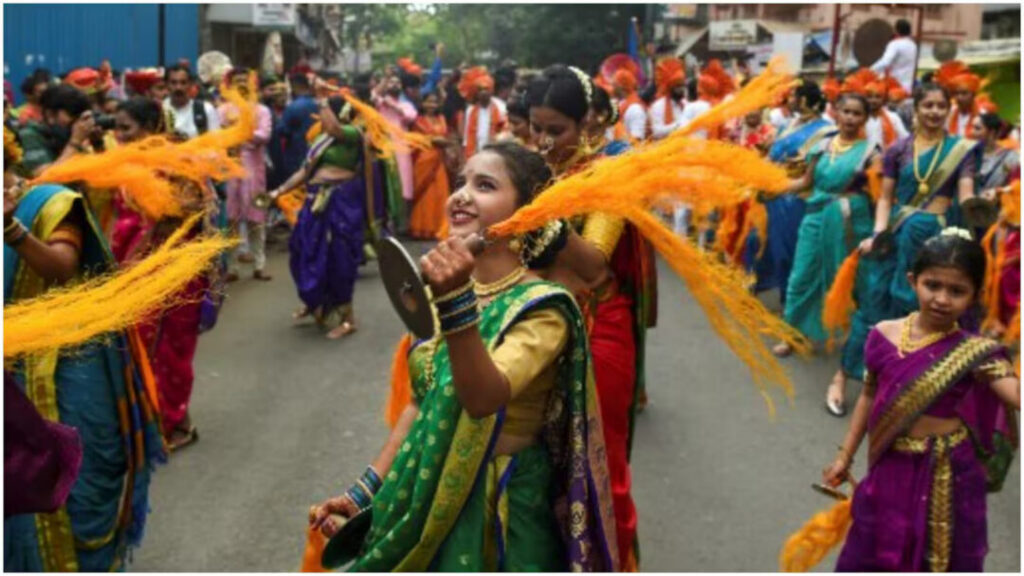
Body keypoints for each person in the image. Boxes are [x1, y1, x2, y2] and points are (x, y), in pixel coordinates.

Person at [309, 141, 618, 571]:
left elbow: (483, 400)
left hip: (499, 511)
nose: (461, 194)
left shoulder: (544, 307)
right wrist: (365, 492)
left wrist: (455, 305)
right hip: (423, 492)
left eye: (485, 185)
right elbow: (420, 403)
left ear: (524, 213)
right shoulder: (452, 290)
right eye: (461, 182)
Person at [3, 125, 163, 571]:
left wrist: (10, 228)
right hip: (11, 369)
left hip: (68, 365)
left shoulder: (49, 201)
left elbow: (62, 266)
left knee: (80, 487)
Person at [822, 231, 1019, 571]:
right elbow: (869, 395)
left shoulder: (974, 353)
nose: (942, 299)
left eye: (956, 291)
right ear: (913, 281)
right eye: (933, 285)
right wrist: (845, 456)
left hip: (949, 470)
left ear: (973, 296)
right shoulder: (882, 335)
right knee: (875, 549)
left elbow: (1016, 396)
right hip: (891, 466)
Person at [527, 65, 657, 570]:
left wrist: (539, 208)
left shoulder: (611, 174)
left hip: (596, 326)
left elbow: (593, 262)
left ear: (590, 124)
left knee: (598, 460)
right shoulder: (538, 167)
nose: (542, 140)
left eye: (555, 130)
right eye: (534, 128)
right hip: (537, 321)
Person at [842, 83, 982, 397]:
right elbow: (885, 198)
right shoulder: (898, 149)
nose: (934, 112)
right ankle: (867, 374)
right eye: (927, 105)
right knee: (878, 299)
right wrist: (877, 233)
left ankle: (922, 377)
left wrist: (976, 205)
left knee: (931, 305)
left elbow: (966, 191)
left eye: (940, 106)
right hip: (898, 233)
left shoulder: (961, 150)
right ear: (916, 109)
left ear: (948, 110)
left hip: (937, 237)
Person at [107, 96, 213, 451]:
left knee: (170, 353)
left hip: (174, 272)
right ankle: (163, 420)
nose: (119, 136)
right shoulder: (125, 165)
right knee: (138, 347)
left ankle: (175, 425)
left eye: (126, 128)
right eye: (116, 128)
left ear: (151, 128)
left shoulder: (179, 163)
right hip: (134, 270)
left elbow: (191, 210)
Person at [773, 94, 881, 415]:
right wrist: (768, 183)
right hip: (815, 215)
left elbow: (878, 197)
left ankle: (852, 343)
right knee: (801, 276)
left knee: (848, 282)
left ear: (864, 118)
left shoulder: (871, 154)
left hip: (850, 220)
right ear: (836, 112)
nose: (849, 117)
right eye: (845, 111)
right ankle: (792, 334)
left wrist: (877, 233)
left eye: (856, 113)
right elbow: (805, 182)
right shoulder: (821, 145)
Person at [270, 96, 385, 340]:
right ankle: (316, 302)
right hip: (315, 201)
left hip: (341, 202)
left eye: (323, 112)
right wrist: (278, 191)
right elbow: (304, 171)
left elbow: (333, 127)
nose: (319, 117)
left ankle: (347, 318)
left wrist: (321, 98)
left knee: (339, 258)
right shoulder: (321, 141)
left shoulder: (354, 134)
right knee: (302, 250)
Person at [747, 81, 835, 309]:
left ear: (806, 100)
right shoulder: (789, 123)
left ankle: (791, 301)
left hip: (796, 198)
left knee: (788, 251)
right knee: (758, 242)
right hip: (772, 195)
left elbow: (811, 170)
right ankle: (759, 283)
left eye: (795, 96)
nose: (790, 100)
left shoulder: (826, 130)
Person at [218, 69, 273, 282]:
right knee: (230, 218)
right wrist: (241, 134)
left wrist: (240, 133)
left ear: (252, 85)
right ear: (229, 85)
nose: (241, 85)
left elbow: (265, 135)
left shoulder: (262, 110)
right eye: (237, 81)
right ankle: (231, 267)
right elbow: (218, 136)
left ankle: (260, 265)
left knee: (257, 217)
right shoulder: (222, 110)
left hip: (254, 169)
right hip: (229, 168)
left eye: (245, 81)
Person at [373, 73, 418, 219]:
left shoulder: (407, 104)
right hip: (382, 144)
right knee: (384, 180)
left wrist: (393, 105)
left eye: (397, 83)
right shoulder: (380, 102)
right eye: (391, 82)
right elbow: (373, 96)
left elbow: (410, 117)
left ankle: (402, 221)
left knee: (404, 182)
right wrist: (383, 81)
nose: (394, 85)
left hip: (401, 147)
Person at [408, 89, 452, 239]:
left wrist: (442, 142)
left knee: (441, 192)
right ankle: (422, 229)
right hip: (424, 160)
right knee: (425, 195)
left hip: (439, 160)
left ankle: (439, 228)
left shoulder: (442, 118)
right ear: (422, 103)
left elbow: (445, 137)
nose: (431, 105)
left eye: (434, 101)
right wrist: (434, 140)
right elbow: (416, 140)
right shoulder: (418, 121)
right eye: (428, 101)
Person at [935, 60, 996, 138]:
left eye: (964, 93)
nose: (959, 97)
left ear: (973, 94)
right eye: (956, 93)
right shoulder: (949, 113)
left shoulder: (983, 114)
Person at [162, 64, 220, 140]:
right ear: (166, 84)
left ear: (190, 84)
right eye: (173, 83)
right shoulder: (160, 109)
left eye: (183, 83)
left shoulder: (205, 109)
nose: (178, 87)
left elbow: (216, 142)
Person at [459, 67, 507, 158]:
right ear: (476, 92)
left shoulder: (501, 107)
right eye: (480, 89)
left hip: (496, 153)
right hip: (475, 152)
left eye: (486, 89)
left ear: (491, 90)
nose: (483, 92)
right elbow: (466, 137)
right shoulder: (471, 110)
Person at [280, 73, 319, 178]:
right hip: (316, 155)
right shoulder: (319, 104)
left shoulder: (293, 107)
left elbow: (283, 131)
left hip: (295, 156)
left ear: (295, 87)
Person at [973, 112, 1020, 196]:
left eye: (977, 128)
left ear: (992, 132)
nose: (972, 132)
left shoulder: (1011, 158)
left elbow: (1017, 186)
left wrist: (998, 191)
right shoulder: (968, 154)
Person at [870, 19, 917, 94]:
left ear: (896, 30)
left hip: (894, 86)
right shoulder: (913, 45)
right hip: (907, 87)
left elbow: (885, 62)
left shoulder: (895, 44)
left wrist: (870, 70)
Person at [648, 58, 686, 140]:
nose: (681, 89)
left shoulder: (685, 104)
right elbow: (656, 132)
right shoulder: (658, 106)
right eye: (678, 86)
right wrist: (678, 126)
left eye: (683, 85)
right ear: (671, 87)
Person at [612, 68, 646, 142]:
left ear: (621, 87)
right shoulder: (618, 103)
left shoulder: (635, 109)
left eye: (614, 85)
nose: (612, 88)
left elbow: (637, 139)